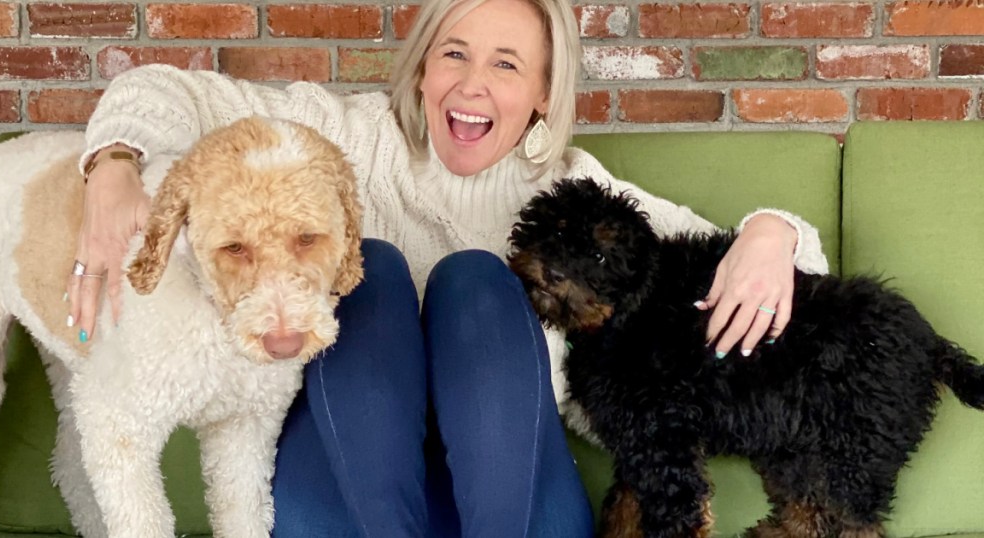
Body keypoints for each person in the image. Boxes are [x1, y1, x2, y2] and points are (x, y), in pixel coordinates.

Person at [65, 0, 829, 534]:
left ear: (540, 93)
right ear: (424, 69)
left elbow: (751, 258)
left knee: (475, 281)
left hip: (512, 503)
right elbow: (161, 88)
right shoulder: (339, 139)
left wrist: (771, 232)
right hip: (344, 489)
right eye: (454, 55)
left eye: (506, 64)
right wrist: (113, 163)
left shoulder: (572, 197)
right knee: (377, 270)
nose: (472, 85)